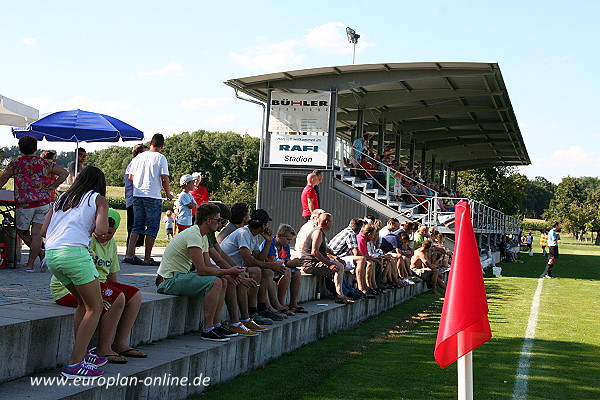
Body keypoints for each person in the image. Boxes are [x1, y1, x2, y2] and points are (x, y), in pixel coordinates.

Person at [50, 208, 145, 363]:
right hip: (68, 289)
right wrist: (115, 296)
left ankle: (120, 343)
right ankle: (103, 348)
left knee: (134, 295)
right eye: (102, 231)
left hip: (96, 284)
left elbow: (112, 274)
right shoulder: (86, 239)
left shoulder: (111, 243)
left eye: (110, 233)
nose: (104, 235)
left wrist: (117, 291)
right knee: (116, 297)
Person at [41, 166, 109, 379]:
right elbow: (101, 230)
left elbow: (43, 231)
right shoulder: (99, 199)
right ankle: (75, 363)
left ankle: (81, 354)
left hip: (52, 256)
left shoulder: (62, 198)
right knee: (95, 308)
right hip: (75, 255)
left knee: (84, 303)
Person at [156, 203, 244, 341]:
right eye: (218, 220)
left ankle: (216, 325)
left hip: (181, 276)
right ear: (208, 220)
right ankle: (207, 329)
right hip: (168, 280)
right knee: (215, 282)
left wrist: (228, 274)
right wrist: (228, 271)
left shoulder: (202, 235)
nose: (220, 223)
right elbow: (202, 270)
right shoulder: (194, 235)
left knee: (223, 281)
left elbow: (208, 264)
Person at [0, 135, 68, 272]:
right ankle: (32, 263)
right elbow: (64, 173)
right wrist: (53, 186)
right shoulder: (44, 163)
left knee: (21, 230)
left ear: (20, 148)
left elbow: (3, 179)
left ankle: (40, 255)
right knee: (37, 233)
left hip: (25, 203)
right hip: (43, 201)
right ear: (35, 149)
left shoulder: (16, 164)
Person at [220, 209, 286, 326]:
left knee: (265, 270)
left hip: (237, 267)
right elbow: (249, 261)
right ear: (263, 224)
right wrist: (271, 264)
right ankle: (252, 311)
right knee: (256, 270)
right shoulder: (243, 233)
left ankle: (261, 307)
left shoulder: (253, 235)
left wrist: (268, 241)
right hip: (225, 267)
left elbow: (259, 259)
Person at [206, 202, 260, 336]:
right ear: (208, 220)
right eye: (221, 221)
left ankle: (243, 319)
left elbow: (221, 255)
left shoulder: (209, 234)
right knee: (228, 280)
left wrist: (237, 272)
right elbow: (208, 264)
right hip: (177, 276)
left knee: (236, 277)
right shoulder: (199, 234)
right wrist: (230, 272)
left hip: (211, 267)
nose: (223, 225)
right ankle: (221, 325)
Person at [124, 134, 173, 266]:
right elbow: (164, 178)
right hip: (153, 195)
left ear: (151, 142)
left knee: (137, 225)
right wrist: (168, 193)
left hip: (137, 194)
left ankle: (130, 254)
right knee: (152, 227)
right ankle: (147, 258)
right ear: (162, 146)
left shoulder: (139, 157)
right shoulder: (161, 158)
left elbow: (131, 177)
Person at [301, 213, 354, 304]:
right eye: (331, 221)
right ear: (327, 222)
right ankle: (339, 295)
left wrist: (335, 258)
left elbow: (325, 250)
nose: (332, 224)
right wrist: (330, 264)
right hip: (310, 264)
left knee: (339, 264)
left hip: (314, 262)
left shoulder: (320, 232)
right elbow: (315, 252)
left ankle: (339, 292)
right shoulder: (318, 232)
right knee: (339, 267)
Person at [261, 224, 305, 316]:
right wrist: (287, 264)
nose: (289, 242)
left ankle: (293, 303)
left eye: (290, 240)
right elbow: (271, 262)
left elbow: (287, 260)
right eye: (288, 239)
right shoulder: (270, 243)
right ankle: (281, 304)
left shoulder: (285, 245)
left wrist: (296, 262)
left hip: (279, 268)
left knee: (297, 273)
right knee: (287, 271)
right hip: (269, 269)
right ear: (280, 236)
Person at [125, 144, 148, 250]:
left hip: (134, 200)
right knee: (134, 227)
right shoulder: (134, 164)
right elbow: (132, 179)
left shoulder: (135, 164)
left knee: (137, 227)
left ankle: (132, 251)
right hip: (133, 201)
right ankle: (130, 252)